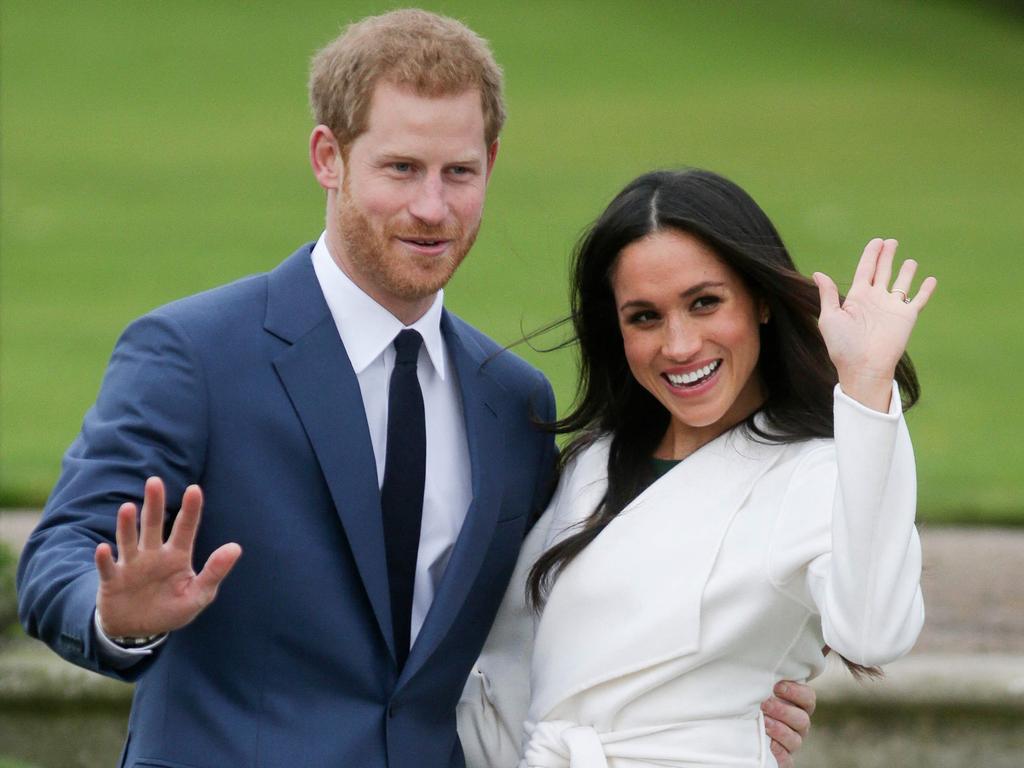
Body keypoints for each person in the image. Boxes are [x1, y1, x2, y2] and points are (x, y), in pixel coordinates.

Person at [16, 11, 814, 768]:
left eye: (458, 172)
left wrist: (718, 693)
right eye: (401, 168)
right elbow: (58, 555)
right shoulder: (193, 354)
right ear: (328, 156)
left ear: (490, 166)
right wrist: (112, 616)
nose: (432, 209)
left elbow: (556, 617)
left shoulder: (515, 402)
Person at [458, 169, 934, 767]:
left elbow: (875, 633)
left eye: (705, 303)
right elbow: (519, 667)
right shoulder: (593, 461)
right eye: (645, 317)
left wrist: (866, 387)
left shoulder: (818, 471)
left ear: (760, 300)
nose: (679, 345)